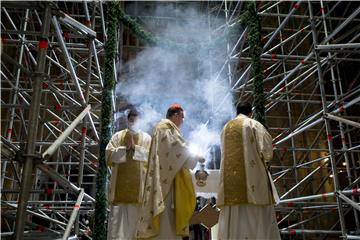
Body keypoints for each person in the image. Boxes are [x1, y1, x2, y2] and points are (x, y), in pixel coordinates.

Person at [136, 103, 205, 239]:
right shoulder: (165, 128)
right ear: (176, 115)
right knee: (166, 216)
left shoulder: (168, 129)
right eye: (182, 117)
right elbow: (176, 147)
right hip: (165, 181)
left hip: (168, 176)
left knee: (170, 216)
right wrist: (196, 155)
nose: (183, 121)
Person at [217, 102, 281, 240]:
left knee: (234, 220)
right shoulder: (253, 124)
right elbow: (267, 152)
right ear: (250, 112)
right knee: (256, 218)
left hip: (230, 186)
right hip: (253, 182)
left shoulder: (225, 128)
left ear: (237, 112)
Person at [106, 109, 152, 240]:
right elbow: (108, 156)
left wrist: (136, 149)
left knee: (135, 229)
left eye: (136, 120)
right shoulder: (117, 137)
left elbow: (152, 159)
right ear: (128, 120)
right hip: (119, 191)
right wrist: (124, 149)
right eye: (131, 120)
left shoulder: (147, 138)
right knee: (118, 230)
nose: (133, 122)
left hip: (139, 192)